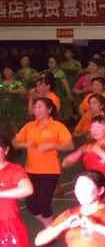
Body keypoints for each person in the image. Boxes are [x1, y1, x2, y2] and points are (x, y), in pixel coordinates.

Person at [13, 96, 73, 228]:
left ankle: (50, 230)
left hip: (50, 170)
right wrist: (25, 144)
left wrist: (53, 145)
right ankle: (51, 226)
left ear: (49, 110)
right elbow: (15, 142)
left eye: (40, 107)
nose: (36, 110)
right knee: (31, 204)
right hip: (30, 170)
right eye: (35, 107)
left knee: (44, 203)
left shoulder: (58, 126)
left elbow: (70, 145)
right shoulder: (29, 126)